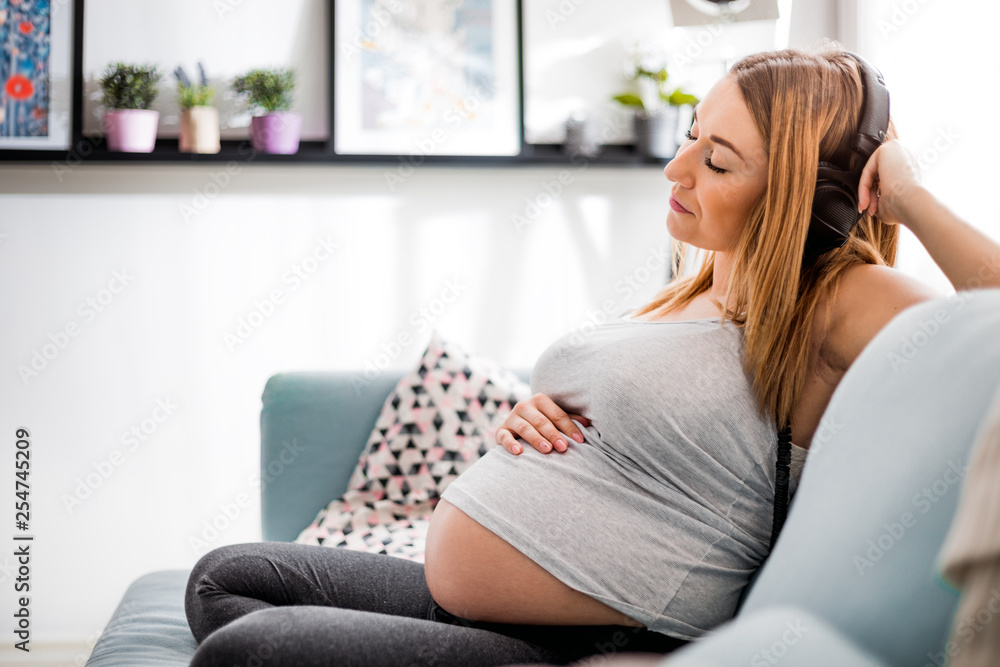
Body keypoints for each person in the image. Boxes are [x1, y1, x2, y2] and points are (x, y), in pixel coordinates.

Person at [184, 44, 1000, 667]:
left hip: (600, 630)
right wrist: (534, 416)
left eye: (717, 161)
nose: (678, 168)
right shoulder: (709, 275)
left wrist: (910, 195)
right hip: (500, 604)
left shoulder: (838, 298)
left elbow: (992, 315)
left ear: (807, 198)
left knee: (243, 652)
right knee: (223, 579)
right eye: (691, 138)